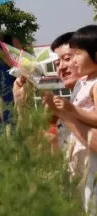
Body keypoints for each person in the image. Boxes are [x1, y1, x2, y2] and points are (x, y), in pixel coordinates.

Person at [51, 25, 97, 213]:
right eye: (57, 63)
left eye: (72, 56)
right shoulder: (82, 85)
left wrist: (70, 111)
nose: (61, 67)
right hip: (77, 168)